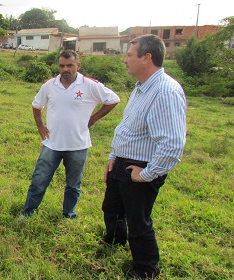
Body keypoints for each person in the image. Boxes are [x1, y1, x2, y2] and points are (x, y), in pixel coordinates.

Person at [101, 34, 187, 279]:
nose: (125, 60)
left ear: (146, 58)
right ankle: (115, 241)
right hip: (123, 161)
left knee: (138, 222)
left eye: (129, 55)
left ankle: (146, 268)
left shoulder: (165, 92)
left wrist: (147, 174)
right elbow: (128, 127)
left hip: (141, 167)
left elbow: (172, 144)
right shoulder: (142, 87)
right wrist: (113, 156)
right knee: (112, 208)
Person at [21, 50, 120, 219]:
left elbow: (113, 99)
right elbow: (37, 105)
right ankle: (27, 212)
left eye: (69, 65)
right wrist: (40, 126)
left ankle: (68, 214)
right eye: (61, 65)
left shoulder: (90, 85)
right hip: (52, 143)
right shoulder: (50, 85)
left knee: (73, 185)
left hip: (78, 145)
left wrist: (94, 118)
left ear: (78, 66)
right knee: (39, 181)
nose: (65, 69)